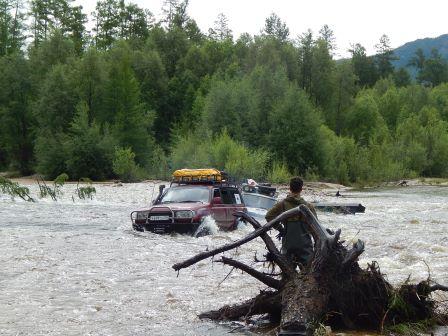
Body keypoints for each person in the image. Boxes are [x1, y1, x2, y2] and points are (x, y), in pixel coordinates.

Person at [265, 176, 316, 268]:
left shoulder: (282, 204)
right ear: (301, 189)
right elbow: (316, 228)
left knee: (287, 275)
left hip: (288, 245)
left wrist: (280, 229)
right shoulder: (309, 206)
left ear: (290, 188)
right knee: (307, 274)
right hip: (305, 247)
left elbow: (268, 216)